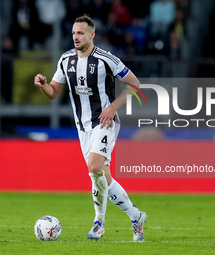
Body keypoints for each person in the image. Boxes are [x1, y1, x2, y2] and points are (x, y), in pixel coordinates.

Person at [34, 14, 147, 241]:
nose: (76, 37)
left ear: (92, 35)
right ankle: (137, 217)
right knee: (104, 177)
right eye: (74, 33)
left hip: (105, 122)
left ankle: (99, 223)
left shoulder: (106, 59)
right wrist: (44, 85)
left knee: (94, 168)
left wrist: (113, 107)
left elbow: (135, 84)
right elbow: (54, 92)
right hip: (83, 128)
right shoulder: (66, 60)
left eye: (81, 33)